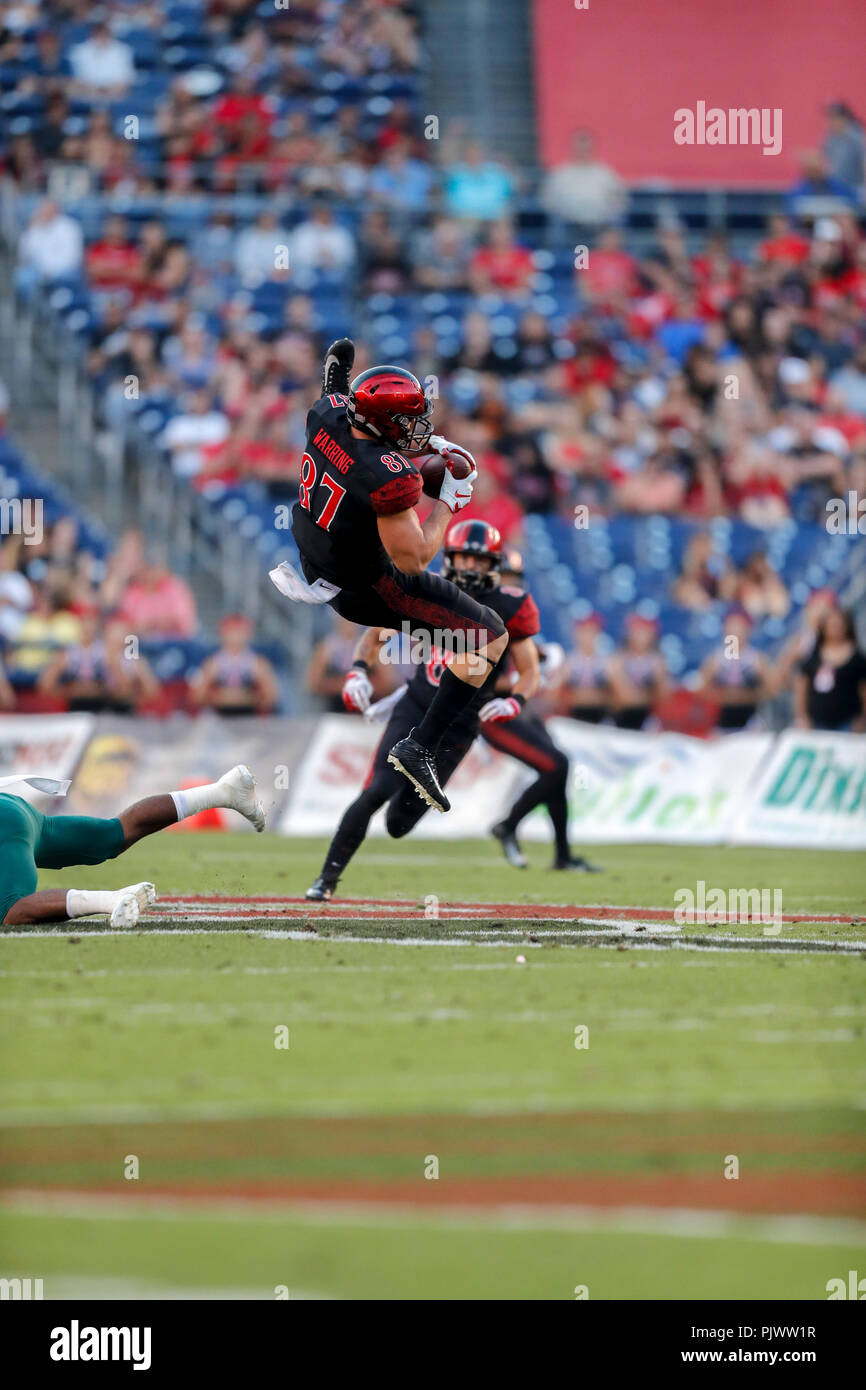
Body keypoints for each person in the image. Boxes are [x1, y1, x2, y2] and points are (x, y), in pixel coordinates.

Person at [274, 338, 506, 813]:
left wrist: (338, 368)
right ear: (381, 422)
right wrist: (448, 503)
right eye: (407, 419)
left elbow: (335, 389)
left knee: (463, 634)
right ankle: (420, 745)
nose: (419, 427)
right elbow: (414, 560)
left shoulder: (329, 414)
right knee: (492, 638)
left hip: (318, 557)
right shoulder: (387, 474)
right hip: (367, 586)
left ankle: (418, 719)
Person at [304, 520, 539, 901]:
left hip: (457, 726)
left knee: (399, 823)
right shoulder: (430, 590)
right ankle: (326, 879)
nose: (469, 569)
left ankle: (350, 856)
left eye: (479, 562)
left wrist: (517, 700)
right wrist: (359, 671)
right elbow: (378, 632)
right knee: (375, 791)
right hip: (415, 707)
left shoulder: (509, 605)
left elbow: (530, 671)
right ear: (449, 558)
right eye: (463, 558)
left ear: (495, 566)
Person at [0, 767, 264, 928]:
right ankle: (223, 792)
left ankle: (111, 900)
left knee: (11, 908)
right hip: (12, 808)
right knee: (112, 835)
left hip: (5, 823)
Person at [697, 607, 770, 731]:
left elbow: (771, 690)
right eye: (732, 625)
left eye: (739, 626)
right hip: (720, 724)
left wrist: (747, 696)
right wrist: (725, 696)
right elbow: (701, 691)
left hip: (750, 724)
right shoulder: (715, 660)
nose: (736, 631)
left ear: (748, 629)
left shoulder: (756, 659)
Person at [191, 615, 279, 716]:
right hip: (219, 717)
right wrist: (219, 696)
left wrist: (249, 697)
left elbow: (272, 698)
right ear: (223, 634)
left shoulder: (258, 664)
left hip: (250, 718)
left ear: (248, 634)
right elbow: (196, 697)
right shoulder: (212, 663)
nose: (235, 637)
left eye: (239, 632)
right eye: (232, 632)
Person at [794, 608, 866, 731]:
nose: (835, 629)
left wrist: (863, 719)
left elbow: (863, 690)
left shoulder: (857, 657)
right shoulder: (813, 654)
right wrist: (802, 717)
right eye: (832, 625)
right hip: (816, 722)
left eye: (839, 625)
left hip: (848, 722)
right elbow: (801, 687)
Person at [608, 614, 670, 729]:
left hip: (647, 720)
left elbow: (664, 696)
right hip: (620, 718)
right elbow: (623, 696)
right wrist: (648, 695)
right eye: (638, 631)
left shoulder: (657, 661)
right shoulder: (618, 659)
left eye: (645, 631)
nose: (641, 636)